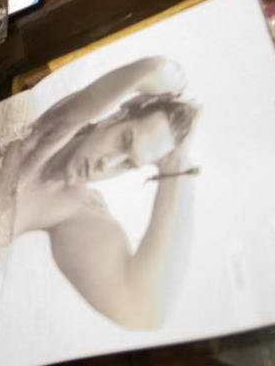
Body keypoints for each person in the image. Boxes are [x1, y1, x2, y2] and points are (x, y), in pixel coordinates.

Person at [12, 55, 199, 329]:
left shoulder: (76, 211)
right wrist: (152, 74)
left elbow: (141, 312)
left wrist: (174, 173)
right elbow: (62, 123)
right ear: (116, 116)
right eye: (124, 140)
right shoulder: (43, 134)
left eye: (128, 163)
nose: (106, 164)